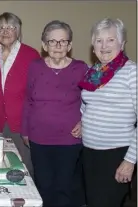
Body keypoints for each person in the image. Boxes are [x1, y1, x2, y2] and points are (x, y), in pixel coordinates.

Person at [21, 20, 88, 207]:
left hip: (69, 140)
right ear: (44, 45)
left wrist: (84, 123)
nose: (58, 46)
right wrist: (25, 131)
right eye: (52, 41)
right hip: (39, 138)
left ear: (70, 45)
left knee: (64, 187)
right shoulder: (35, 67)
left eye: (63, 41)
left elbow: (93, 101)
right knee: (43, 185)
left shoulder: (81, 68)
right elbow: (28, 99)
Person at [79, 18, 136, 207]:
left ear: (122, 43)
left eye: (110, 40)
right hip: (89, 152)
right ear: (93, 45)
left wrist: (129, 160)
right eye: (98, 40)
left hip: (116, 154)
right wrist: (81, 121)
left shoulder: (131, 72)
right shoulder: (93, 72)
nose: (104, 46)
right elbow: (88, 104)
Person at [0, 12, 40, 177]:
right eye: (1, 27)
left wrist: (31, 121)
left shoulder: (31, 54)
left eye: (10, 27)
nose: (5, 31)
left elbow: (35, 92)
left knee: (23, 166)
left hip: (21, 121)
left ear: (18, 31)